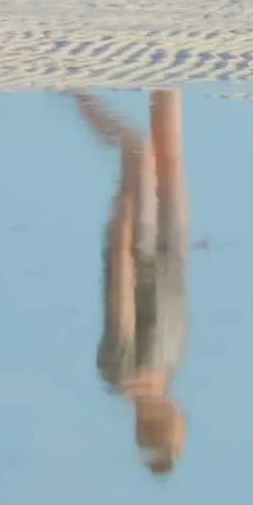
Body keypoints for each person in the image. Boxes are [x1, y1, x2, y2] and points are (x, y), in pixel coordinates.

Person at [73, 87, 191, 476]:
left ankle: (77, 94)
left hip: (139, 249)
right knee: (168, 152)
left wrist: (121, 229)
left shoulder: (121, 375)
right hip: (173, 251)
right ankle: (166, 56)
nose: (185, 423)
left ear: (157, 427)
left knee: (136, 150)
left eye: (178, 432)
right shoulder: (168, 374)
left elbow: (119, 300)